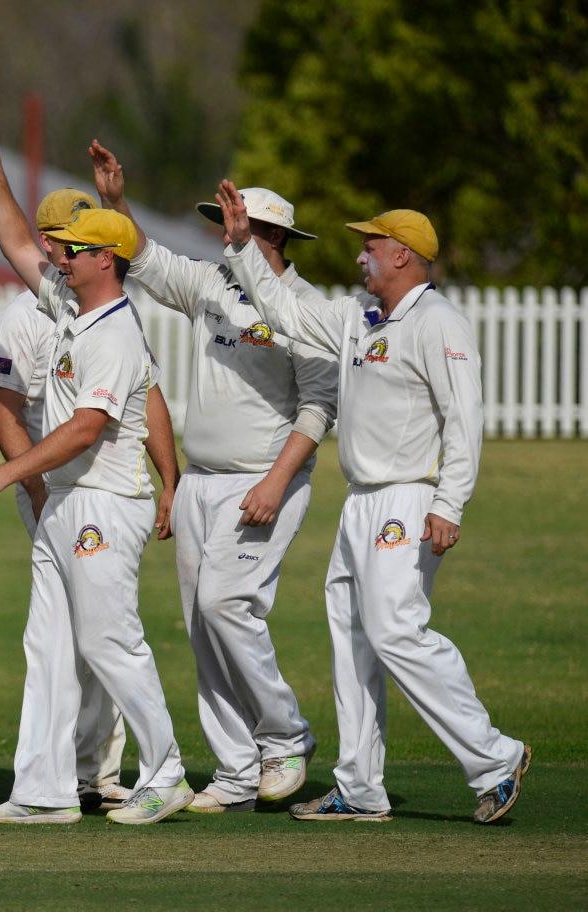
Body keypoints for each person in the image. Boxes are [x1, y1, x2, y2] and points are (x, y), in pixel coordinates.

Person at [217, 181, 531, 824]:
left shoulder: (438, 322)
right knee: (353, 640)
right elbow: (284, 312)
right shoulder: (359, 317)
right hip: (361, 502)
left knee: (394, 630)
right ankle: (359, 787)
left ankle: (496, 757)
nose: (360, 256)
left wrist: (451, 504)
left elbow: (463, 420)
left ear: (403, 257)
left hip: (409, 500)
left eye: (371, 246)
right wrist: (245, 246)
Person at [88, 142, 337, 813]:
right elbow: (143, 257)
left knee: (230, 606)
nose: (231, 237)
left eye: (245, 228)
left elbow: (318, 406)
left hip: (262, 480)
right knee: (203, 625)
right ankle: (233, 772)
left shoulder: (304, 305)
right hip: (201, 481)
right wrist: (115, 200)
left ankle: (286, 735)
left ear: (276, 236)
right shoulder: (210, 283)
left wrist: (276, 483)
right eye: (228, 226)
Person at [0, 106, 190, 826]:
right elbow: (16, 239)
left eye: (76, 248)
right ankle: (44, 791)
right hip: (65, 504)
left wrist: (5, 473)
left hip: (101, 504)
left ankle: (167, 772)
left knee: (109, 643)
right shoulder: (68, 303)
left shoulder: (115, 334)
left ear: (106, 260)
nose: (60, 255)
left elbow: (90, 426)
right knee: (50, 646)